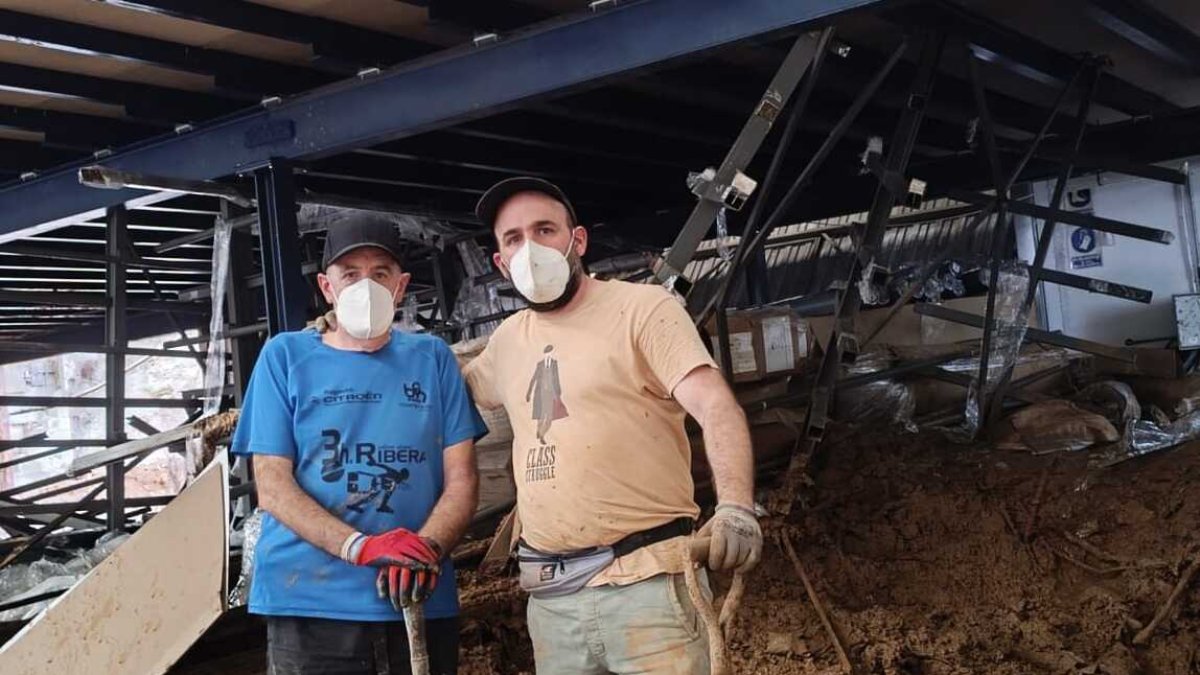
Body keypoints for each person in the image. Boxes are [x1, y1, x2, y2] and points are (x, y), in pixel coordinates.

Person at [463, 177, 764, 674]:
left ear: (577, 241)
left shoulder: (641, 310)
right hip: (553, 603)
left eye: (544, 230)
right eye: (513, 239)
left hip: (649, 589)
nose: (530, 249)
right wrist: (344, 341)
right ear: (500, 261)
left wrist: (735, 507)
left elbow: (715, 405)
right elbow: (439, 386)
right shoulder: (508, 340)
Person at [231, 215, 487, 675]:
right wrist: (360, 547)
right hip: (309, 600)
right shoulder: (285, 356)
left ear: (401, 286)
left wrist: (425, 549)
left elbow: (463, 479)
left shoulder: (432, 359)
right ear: (327, 287)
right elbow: (271, 486)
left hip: (415, 597)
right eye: (350, 274)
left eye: (380, 274)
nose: (364, 286)